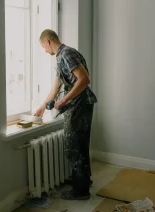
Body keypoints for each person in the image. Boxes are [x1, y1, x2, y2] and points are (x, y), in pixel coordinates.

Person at [35, 29, 97, 200]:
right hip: (78, 104)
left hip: (79, 104)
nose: (45, 51)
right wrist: (42, 106)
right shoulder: (61, 57)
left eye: (43, 47)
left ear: (48, 41)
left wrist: (63, 101)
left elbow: (84, 80)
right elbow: (56, 88)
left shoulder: (67, 54)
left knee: (74, 146)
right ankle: (83, 181)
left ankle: (80, 191)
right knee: (80, 144)